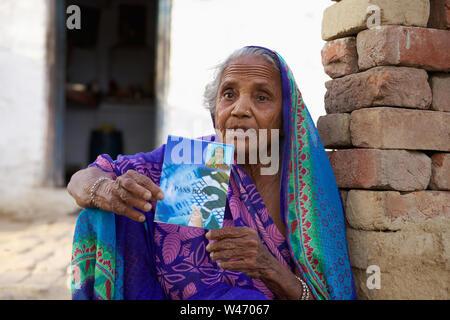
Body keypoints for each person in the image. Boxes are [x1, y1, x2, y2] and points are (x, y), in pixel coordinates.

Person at [67, 46, 357, 300]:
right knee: (98, 214)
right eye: (228, 94)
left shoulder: (300, 187)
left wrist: (269, 267)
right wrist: (103, 191)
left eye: (262, 97)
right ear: (214, 109)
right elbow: (83, 179)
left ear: (285, 117)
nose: (240, 109)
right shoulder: (198, 163)